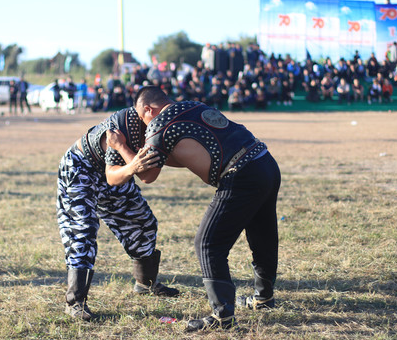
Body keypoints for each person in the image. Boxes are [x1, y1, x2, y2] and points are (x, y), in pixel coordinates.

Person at [107, 86, 281, 332]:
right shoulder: (193, 106)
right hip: (264, 162)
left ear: (149, 109)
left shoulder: (159, 125)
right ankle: (264, 298)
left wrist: (120, 147)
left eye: (142, 119)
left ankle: (222, 316)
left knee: (208, 244)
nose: (144, 127)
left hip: (240, 175)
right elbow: (189, 152)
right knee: (262, 233)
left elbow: (146, 175)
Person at [57, 106, 179, 321]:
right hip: (81, 167)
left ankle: (145, 283)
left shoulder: (159, 128)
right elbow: (118, 174)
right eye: (160, 114)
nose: (164, 119)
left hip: (115, 172)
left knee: (143, 222)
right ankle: (75, 302)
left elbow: (145, 174)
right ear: (146, 110)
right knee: (82, 229)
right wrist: (130, 160)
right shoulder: (121, 126)